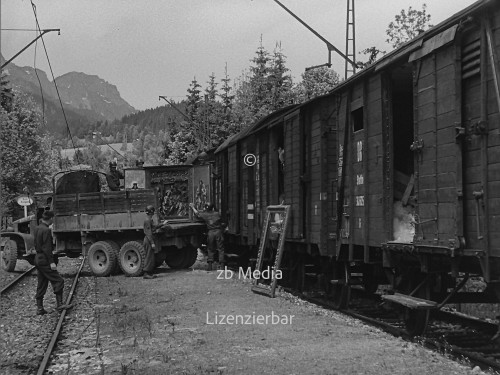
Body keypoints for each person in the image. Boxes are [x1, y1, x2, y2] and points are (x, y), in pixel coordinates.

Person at [33, 210, 71, 315]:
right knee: (59, 281)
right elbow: (47, 248)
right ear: (50, 219)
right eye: (52, 219)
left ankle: (40, 308)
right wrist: (51, 262)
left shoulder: (37, 228)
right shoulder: (46, 230)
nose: (52, 222)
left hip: (38, 258)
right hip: (45, 259)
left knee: (42, 283)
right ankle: (60, 305)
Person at [189, 202, 225, 271]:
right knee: (221, 249)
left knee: (210, 249)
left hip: (211, 233)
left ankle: (210, 267)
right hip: (218, 232)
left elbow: (197, 214)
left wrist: (192, 207)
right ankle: (222, 266)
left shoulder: (205, 215)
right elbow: (222, 220)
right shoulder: (217, 214)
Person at [143, 205, 159, 279]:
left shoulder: (149, 219)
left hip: (149, 239)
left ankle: (149, 273)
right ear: (151, 212)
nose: (153, 213)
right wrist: (152, 243)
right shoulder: (147, 220)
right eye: (152, 212)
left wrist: (162, 224)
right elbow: (148, 233)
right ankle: (146, 273)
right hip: (148, 240)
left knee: (151, 256)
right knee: (149, 256)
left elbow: (154, 227)